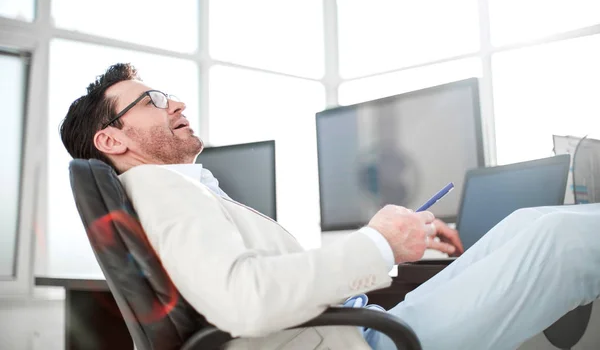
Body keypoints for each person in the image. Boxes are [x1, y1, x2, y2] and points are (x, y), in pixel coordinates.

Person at [60, 63, 600, 350]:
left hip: (359, 329)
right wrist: (378, 241)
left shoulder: (171, 191)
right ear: (112, 141)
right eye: (152, 100)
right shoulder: (161, 189)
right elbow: (244, 302)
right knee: (554, 242)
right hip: (358, 344)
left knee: (525, 225)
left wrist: (382, 242)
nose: (174, 102)